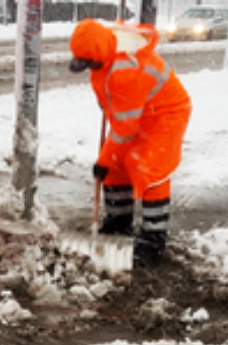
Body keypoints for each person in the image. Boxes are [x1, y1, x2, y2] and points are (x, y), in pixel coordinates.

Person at [69, 19, 192, 267]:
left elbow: (125, 129)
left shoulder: (126, 71)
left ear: (100, 54)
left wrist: (102, 159)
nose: (88, 67)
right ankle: (118, 224)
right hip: (137, 110)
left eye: (90, 62)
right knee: (116, 166)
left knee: (147, 167)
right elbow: (121, 116)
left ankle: (153, 239)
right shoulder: (105, 50)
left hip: (166, 113)